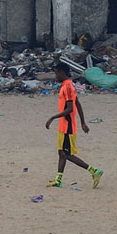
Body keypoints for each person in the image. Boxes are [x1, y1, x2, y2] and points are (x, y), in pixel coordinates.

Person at [43, 61, 103, 189]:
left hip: (67, 127)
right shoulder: (66, 86)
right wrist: (83, 122)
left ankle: (94, 171)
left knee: (68, 154)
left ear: (62, 73)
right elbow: (78, 104)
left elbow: (71, 108)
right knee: (61, 153)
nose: (55, 76)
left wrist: (53, 117)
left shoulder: (68, 87)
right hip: (63, 126)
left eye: (56, 73)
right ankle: (58, 180)